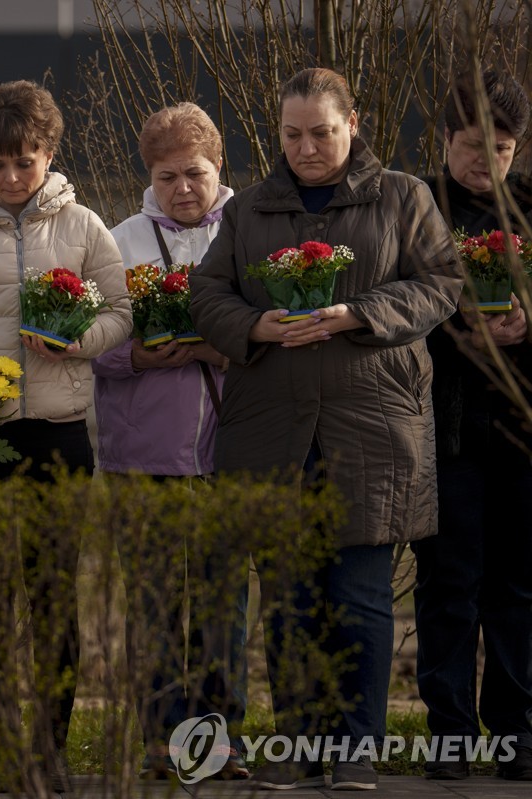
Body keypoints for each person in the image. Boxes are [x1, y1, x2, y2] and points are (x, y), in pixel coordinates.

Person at [189, 67, 463, 791]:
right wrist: (256, 324)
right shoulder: (248, 209)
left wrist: (358, 313)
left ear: (353, 124)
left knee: (362, 597)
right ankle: (300, 746)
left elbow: (442, 283)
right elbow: (207, 293)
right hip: (271, 432)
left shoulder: (403, 196)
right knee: (289, 599)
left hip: (370, 430)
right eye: (292, 134)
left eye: (322, 132)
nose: (306, 147)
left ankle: (356, 750)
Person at [0, 80, 133, 792]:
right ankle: (2, 750)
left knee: (49, 598)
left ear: (50, 153)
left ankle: (48, 751)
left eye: (25, 162)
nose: (10, 178)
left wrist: (80, 342)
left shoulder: (85, 228)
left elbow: (122, 313)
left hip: (60, 435)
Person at [91, 102, 247, 780]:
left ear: (220, 168)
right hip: (142, 454)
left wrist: (230, 345)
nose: (183, 188)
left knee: (220, 610)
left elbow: (278, 326)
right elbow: (88, 342)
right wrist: (136, 357)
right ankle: (160, 740)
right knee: (154, 606)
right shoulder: (117, 242)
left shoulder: (246, 233)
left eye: (196, 172)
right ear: (147, 176)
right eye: (166, 176)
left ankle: (216, 745)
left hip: (227, 452)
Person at [415, 69, 532, 782]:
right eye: (471, 146)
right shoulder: (417, 206)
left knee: (519, 586)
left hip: (522, 429)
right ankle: (450, 732)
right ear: (446, 138)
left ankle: (517, 729)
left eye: (505, 148)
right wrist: (450, 317)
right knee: (448, 584)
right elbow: (388, 314)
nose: (486, 164)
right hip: (445, 427)